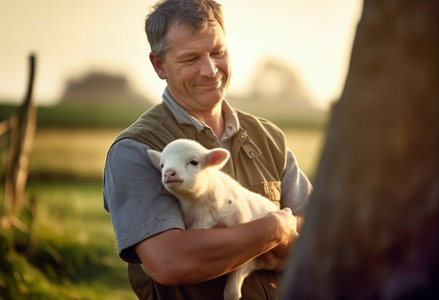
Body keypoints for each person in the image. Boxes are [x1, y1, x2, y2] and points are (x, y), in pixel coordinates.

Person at [103, 0, 312, 299]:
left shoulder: (268, 137)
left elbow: (321, 234)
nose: (210, 69)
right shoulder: (137, 149)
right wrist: (274, 230)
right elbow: (170, 261)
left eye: (218, 52)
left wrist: (283, 236)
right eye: (190, 59)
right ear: (159, 64)